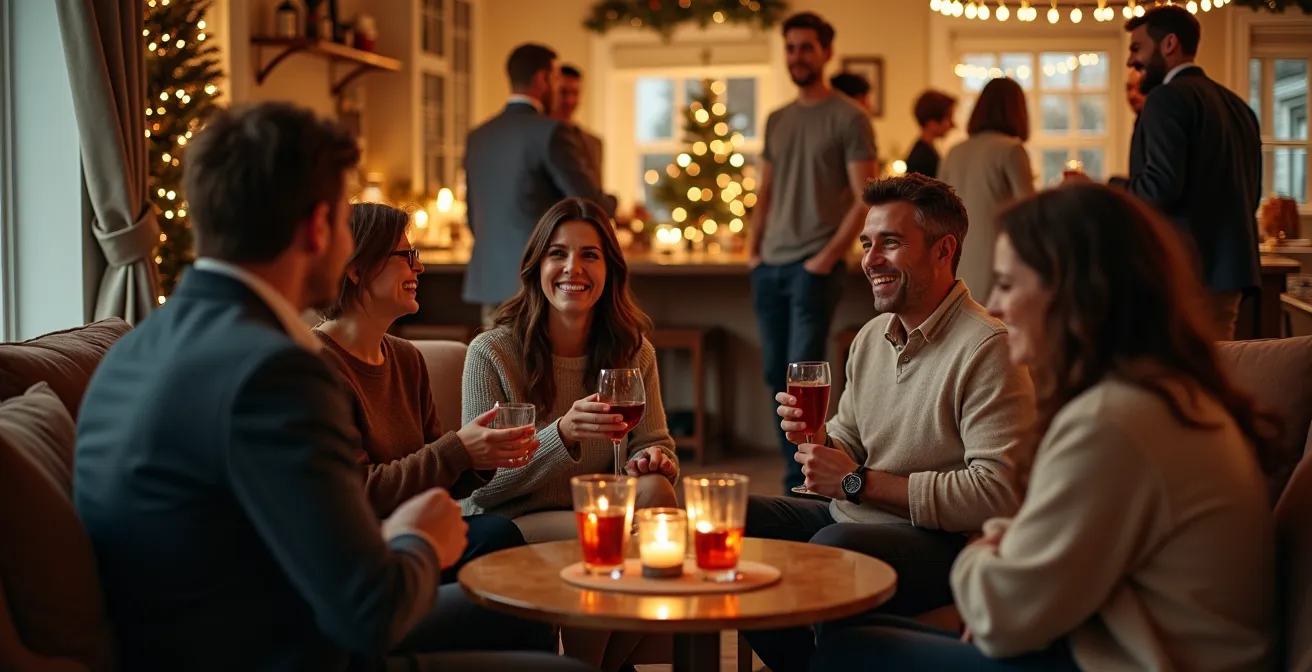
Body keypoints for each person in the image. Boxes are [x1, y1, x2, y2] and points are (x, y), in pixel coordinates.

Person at [73, 101, 593, 672]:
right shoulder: (277, 370)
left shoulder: (130, 348)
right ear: (318, 227)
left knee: (518, 604)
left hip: (213, 633)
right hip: (282, 651)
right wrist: (418, 540)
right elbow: (369, 611)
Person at [812, 183, 1279, 672]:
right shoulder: (1155, 397)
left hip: (1124, 659)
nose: (995, 303)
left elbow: (998, 609)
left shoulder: (1113, 423)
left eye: (1009, 284)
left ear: (1073, 292)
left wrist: (986, 545)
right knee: (858, 637)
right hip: (1099, 636)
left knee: (854, 650)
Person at [740, 174, 1037, 672]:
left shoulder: (989, 348)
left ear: (944, 251)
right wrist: (817, 439)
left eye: (891, 243)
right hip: (854, 517)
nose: (870, 259)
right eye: (866, 243)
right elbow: (850, 443)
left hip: (940, 540)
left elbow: (998, 492)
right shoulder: (872, 335)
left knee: (835, 549)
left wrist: (857, 483)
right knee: (737, 523)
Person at [461, 197, 679, 670]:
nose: (572, 268)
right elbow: (485, 487)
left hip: (598, 511)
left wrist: (656, 461)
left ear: (610, 269)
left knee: (659, 495)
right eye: (557, 253)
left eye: (589, 255)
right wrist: (561, 435)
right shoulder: (492, 352)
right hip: (512, 518)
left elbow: (655, 441)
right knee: (603, 539)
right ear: (537, 265)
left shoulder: (632, 351)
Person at [314, 202, 537, 581]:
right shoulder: (318, 367)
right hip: (363, 557)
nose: (419, 267)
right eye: (406, 255)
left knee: (503, 544)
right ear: (356, 269)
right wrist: (458, 450)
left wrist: (481, 457)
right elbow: (357, 493)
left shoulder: (406, 359)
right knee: (500, 545)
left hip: (418, 538)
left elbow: (437, 476)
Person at [748, 11, 878, 492]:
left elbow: (867, 196)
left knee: (803, 380)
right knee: (774, 377)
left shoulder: (849, 117)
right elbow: (766, 190)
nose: (797, 56)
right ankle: (796, 476)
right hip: (770, 267)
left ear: (826, 51)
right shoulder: (777, 119)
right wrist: (752, 250)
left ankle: (804, 480)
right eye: (791, 47)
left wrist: (825, 258)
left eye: (806, 47)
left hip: (812, 270)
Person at [1103, 5, 1261, 341]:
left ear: (1169, 44)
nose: (1132, 61)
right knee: (1216, 373)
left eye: (1136, 48)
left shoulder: (1165, 99)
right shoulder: (1238, 106)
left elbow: (1159, 188)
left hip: (1182, 274)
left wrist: (1108, 188)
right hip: (1230, 274)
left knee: (1175, 381)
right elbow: (1253, 192)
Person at [464, 43, 616, 326]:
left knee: (498, 366)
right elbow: (589, 204)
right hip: (538, 285)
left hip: (490, 283)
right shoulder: (550, 132)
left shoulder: (479, 136)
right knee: (540, 369)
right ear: (542, 79)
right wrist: (614, 204)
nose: (559, 89)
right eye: (557, 78)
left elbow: (473, 216)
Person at [939, 77, 1035, 299]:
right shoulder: (1011, 150)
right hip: (995, 259)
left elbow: (937, 210)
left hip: (956, 262)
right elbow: (1030, 215)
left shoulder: (954, 152)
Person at [555, 64, 605, 186]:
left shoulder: (593, 143)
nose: (570, 100)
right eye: (563, 92)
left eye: (575, 93)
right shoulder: (539, 136)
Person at [904, 90, 957, 179]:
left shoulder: (925, 150)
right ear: (931, 122)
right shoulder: (922, 156)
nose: (952, 124)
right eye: (948, 117)